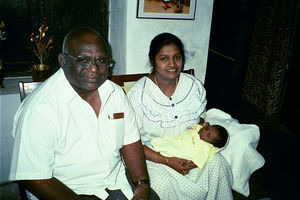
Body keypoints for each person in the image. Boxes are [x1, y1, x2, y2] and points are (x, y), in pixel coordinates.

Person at [9, 27, 159, 200]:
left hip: (116, 182)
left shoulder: (115, 93)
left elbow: (130, 141)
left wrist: (142, 184)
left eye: (101, 60)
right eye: (83, 60)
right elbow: (33, 178)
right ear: (63, 61)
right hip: (68, 191)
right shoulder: (40, 109)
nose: (94, 68)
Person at [127, 32, 233, 199]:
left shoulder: (194, 86)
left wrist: (196, 152)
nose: (172, 64)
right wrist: (168, 160)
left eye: (177, 57)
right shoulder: (139, 94)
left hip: (192, 149)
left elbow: (200, 120)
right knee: (163, 184)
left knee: (218, 164)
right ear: (153, 61)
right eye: (164, 59)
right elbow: (131, 142)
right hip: (155, 156)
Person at [150, 122, 228, 170]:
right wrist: (202, 125)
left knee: (172, 148)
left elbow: (198, 161)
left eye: (208, 135)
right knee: (169, 139)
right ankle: (156, 143)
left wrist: (188, 165)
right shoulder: (200, 129)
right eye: (207, 128)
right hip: (180, 137)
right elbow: (195, 127)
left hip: (185, 148)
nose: (205, 131)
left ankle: (157, 146)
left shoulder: (205, 147)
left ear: (210, 143)